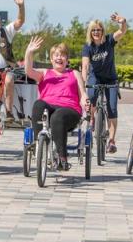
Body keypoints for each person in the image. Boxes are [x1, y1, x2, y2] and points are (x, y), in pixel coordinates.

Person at [25, 36, 88, 171]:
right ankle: (38, 145)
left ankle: (62, 158)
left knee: (58, 116)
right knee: (38, 104)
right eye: (56, 55)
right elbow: (29, 71)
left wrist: (86, 102)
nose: (59, 57)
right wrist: (29, 52)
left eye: (62, 55)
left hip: (69, 109)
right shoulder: (45, 72)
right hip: (49, 107)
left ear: (67, 59)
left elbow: (82, 93)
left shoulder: (74, 73)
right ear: (51, 59)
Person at [81, 12, 128, 154]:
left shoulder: (109, 40)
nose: (96, 32)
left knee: (112, 108)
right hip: (95, 77)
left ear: (102, 31)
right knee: (91, 101)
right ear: (90, 32)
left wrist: (123, 22)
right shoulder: (88, 47)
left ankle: (112, 141)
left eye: (99, 29)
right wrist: (83, 84)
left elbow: (122, 31)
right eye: (94, 30)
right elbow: (85, 66)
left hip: (110, 79)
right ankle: (93, 121)